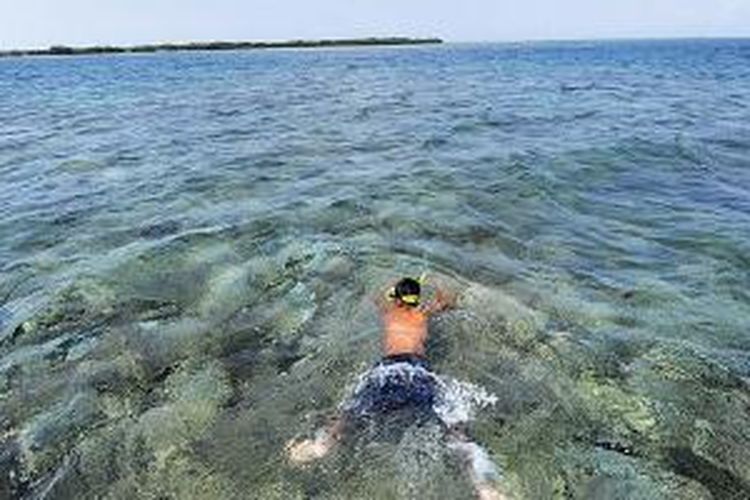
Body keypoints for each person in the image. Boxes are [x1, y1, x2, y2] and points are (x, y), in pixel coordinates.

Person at [286, 276, 509, 500]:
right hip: (418, 372)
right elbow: (449, 301)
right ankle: (483, 486)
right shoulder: (423, 313)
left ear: (398, 299)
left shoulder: (389, 311)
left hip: (388, 371)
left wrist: (390, 287)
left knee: (348, 412)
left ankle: (320, 446)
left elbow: (376, 293)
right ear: (415, 299)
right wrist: (438, 281)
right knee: (454, 426)